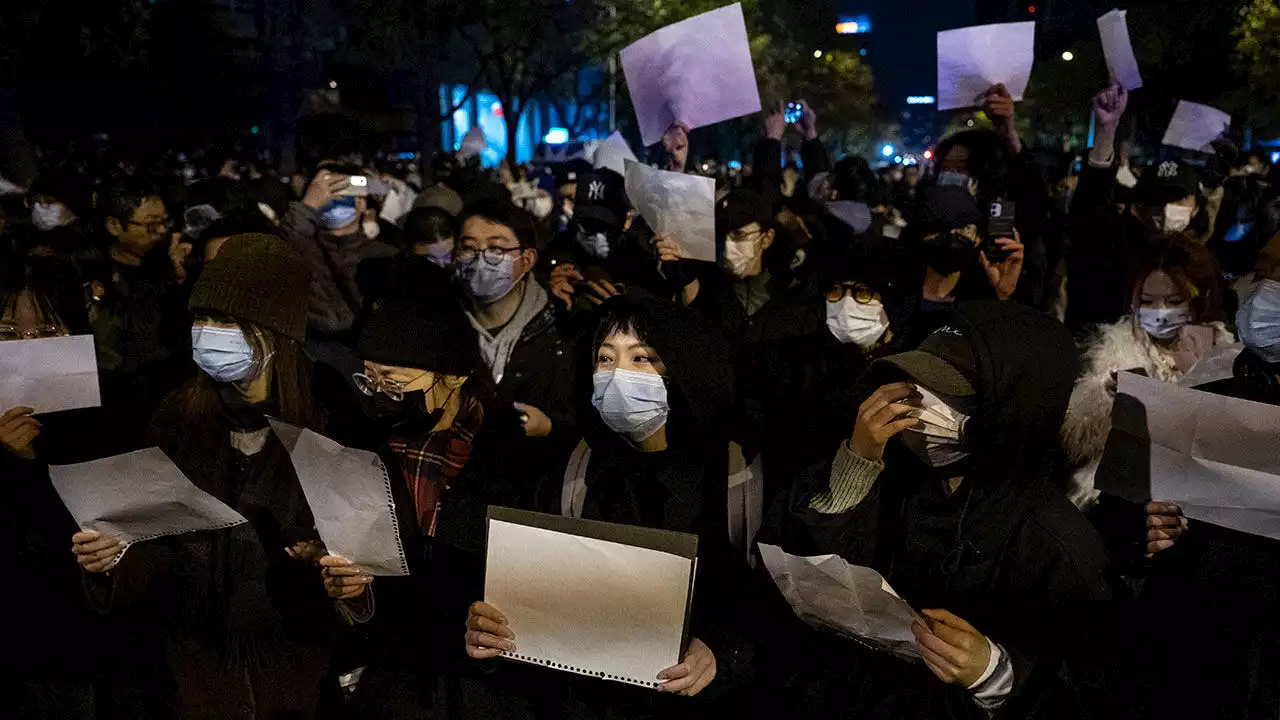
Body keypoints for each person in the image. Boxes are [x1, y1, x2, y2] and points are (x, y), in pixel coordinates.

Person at [766, 302, 1113, 718]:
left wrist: (998, 674)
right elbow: (809, 568)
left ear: (1012, 403)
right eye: (913, 380)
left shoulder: (1057, 542)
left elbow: (1093, 691)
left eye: (950, 392)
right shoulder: (893, 475)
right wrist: (855, 465)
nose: (918, 404)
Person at [70, 233, 334, 719]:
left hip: (295, 677)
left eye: (228, 321)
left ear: (276, 331)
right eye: (202, 318)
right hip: (187, 675)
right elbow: (150, 539)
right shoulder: (176, 416)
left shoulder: (331, 423)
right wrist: (114, 556)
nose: (209, 332)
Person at [462, 296, 757, 719]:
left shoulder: (735, 477)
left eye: (643, 358)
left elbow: (767, 615)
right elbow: (524, 601)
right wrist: (488, 631)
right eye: (605, 358)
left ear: (683, 369)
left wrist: (721, 654)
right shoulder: (572, 470)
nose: (619, 374)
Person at [319, 259, 487, 717]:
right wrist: (352, 592)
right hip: (395, 682)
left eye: (394, 384)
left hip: (480, 684)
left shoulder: (504, 458)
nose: (379, 397)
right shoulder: (362, 455)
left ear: (453, 377)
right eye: (369, 380)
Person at [1061, 233, 1234, 511]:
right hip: (1119, 502)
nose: (1160, 312)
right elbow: (1080, 441)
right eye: (1148, 301)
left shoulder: (1222, 355)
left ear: (1200, 299)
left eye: (1174, 300)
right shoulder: (1114, 353)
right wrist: (1105, 398)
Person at [1066, 85, 1210, 334]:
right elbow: (1091, 209)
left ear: (1196, 208)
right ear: (1138, 207)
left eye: (1179, 200)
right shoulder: (1114, 245)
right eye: (1157, 199)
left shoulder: (1204, 258)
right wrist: (1106, 131)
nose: (1167, 209)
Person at [93, 176, 194, 452]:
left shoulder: (168, 265)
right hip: (120, 404)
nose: (161, 231)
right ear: (114, 225)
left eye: (164, 222)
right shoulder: (93, 274)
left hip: (173, 398)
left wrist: (181, 279)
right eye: (151, 225)